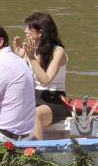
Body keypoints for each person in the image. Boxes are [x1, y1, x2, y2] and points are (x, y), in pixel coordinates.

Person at [12, 12, 69, 140]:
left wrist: (31, 57)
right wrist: (20, 56)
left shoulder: (58, 51)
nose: (25, 31)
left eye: (29, 28)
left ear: (41, 32)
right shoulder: (32, 49)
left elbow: (45, 80)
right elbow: (18, 77)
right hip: (33, 96)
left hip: (54, 100)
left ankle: (34, 151)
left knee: (34, 114)